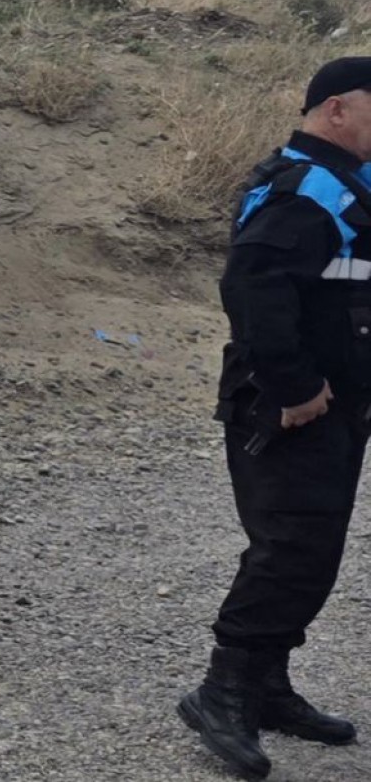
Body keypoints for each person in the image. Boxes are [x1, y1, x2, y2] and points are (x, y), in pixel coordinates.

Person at [182, 57, 371, 779]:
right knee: (288, 549)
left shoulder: (349, 184)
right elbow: (254, 293)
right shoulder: (303, 191)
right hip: (290, 409)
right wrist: (295, 389)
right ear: (335, 111)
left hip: (335, 407)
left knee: (310, 551)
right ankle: (220, 692)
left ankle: (266, 687)